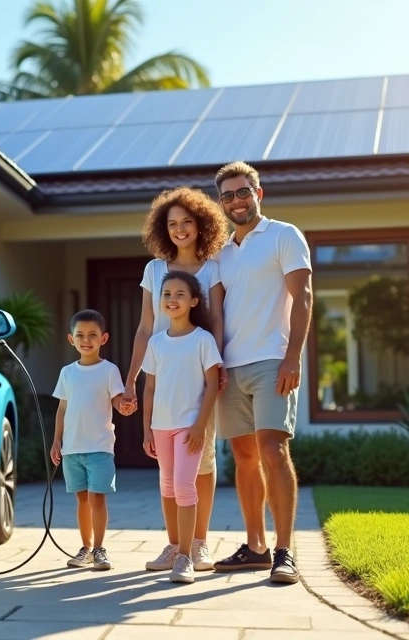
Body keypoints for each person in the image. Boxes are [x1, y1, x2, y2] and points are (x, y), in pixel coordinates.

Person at [210, 161, 312, 585]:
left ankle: (285, 551)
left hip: (273, 360)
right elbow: (216, 312)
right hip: (231, 367)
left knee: (273, 450)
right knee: (244, 456)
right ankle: (255, 547)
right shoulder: (220, 252)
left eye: (243, 192)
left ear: (258, 193)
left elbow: (303, 296)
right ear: (222, 203)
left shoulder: (284, 235)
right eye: (228, 195)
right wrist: (213, 363)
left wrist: (293, 358)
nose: (236, 201)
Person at [119, 186, 229, 573]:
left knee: (203, 462)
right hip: (163, 379)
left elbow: (216, 321)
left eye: (187, 222)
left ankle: (198, 544)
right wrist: (130, 380)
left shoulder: (213, 266)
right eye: (172, 223)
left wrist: (215, 370)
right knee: (170, 474)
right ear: (163, 229)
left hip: (200, 375)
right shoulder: (154, 270)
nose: (180, 229)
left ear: (200, 226)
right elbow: (145, 329)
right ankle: (174, 545)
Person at [140, 270, 223, 584]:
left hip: (190, 427)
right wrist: (147, 429)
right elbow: (150, 388)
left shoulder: (202, 340)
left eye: (179, 294)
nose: (172, 300)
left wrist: (201, 425)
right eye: (166, 294)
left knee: (185, 487)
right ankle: (174, 547)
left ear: (193, 301)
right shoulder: (157, 343)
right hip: (161, 427)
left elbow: (213, 384)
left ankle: (186, 556)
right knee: (167, 486)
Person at [51, 309, 132, 571]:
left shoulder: (109, 370)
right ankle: (85, 549)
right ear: (70, 339)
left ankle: (99, 549)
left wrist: (124, 406)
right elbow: (62, 409)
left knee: (98, 499)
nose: (86, 340)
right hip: (72, 448)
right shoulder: (67, 372)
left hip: (99, 447)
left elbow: (118, 400)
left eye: (93, 335)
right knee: (81, 500)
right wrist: (56, 441)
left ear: (104, 338)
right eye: (80, 335)